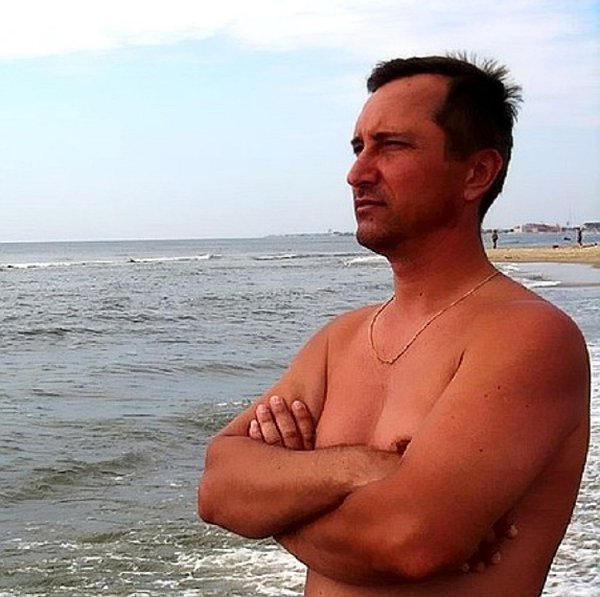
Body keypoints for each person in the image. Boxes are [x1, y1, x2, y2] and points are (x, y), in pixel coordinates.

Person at [198, 55, 590, 596]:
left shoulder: (527, 337)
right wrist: (359, 467)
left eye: (392, 146)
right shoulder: (340, 340)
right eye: (359, 148)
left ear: (477, 172)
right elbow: (217, 488)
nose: (357, 173)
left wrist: (270, 508)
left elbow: (406, 541)